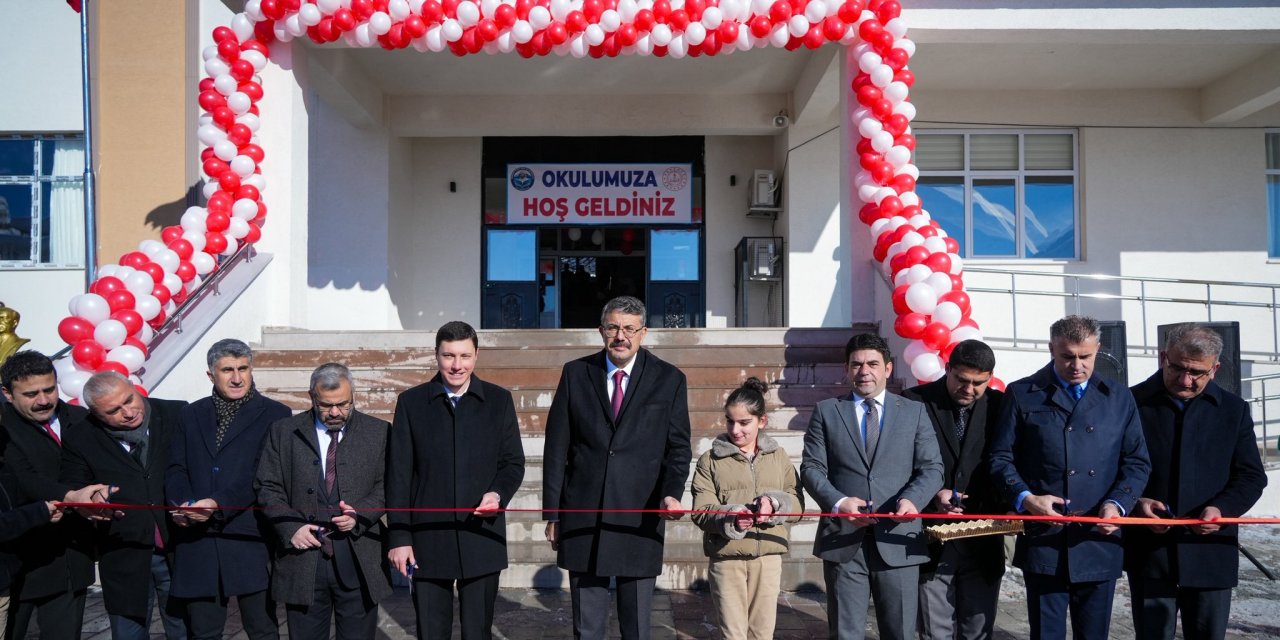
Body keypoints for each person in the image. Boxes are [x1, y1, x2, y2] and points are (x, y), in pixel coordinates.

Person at [988, 315, 1151, 640]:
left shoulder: (1118, 398)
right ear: (1052, 350)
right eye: (1067, 356)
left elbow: (1136, 462)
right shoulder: (1023, 393)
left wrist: (1118, 504)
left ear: (1097, 351)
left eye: (1085, 357)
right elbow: (1000, 458)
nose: (1076, 365)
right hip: (1045, 537)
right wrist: (1026, 498)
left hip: (1097, 539)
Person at [542, 295, 692, 640]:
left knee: (637, 627)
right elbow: (557, 448)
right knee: (587, 628)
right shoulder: (576, 373)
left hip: (639, 518)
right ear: (600, 331)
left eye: (628, 328)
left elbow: (678, 448)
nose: (620, 335)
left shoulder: (669, 379)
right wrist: (553, 513)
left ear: (643, 333)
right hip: (583, 517)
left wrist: (671, 493)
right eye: (612, 327)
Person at [1125, 323, 1267, 640]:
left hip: (1210, 553)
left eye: (1197, 373)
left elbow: (1251, 476)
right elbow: (1113, 469)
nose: (1185, 380)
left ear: (1214, 369)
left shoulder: (1234, 411)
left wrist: (1222, 508)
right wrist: (1137, 503)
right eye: (1177, 368)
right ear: (1163, 357)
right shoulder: (1131, 402)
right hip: (1151, 553)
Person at [386, 321, 525, 640]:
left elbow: (513, 463)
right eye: (448, 356)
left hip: (481, 537)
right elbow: (399, 474)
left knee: (478, 632)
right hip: (427, 539)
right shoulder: (412, 403)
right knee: (431, 632)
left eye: (464, 355)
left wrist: (498, 494)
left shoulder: (499, 400)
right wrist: (399, 536)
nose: (457, 365)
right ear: (436, 356)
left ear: (476, 356)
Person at [800, 333, 944, 640]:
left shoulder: (914, 412)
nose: (864, 371)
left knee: (900, 632)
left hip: (899, 538)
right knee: (845, 633)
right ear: (847, 369)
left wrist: (913, 500)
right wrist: (839, 503)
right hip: (844, 541)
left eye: (873, 364)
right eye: (857, 364)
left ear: (888, 369)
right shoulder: (827, 411)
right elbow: (812, 468)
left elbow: (932, 468)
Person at [166, 338, 290, 640]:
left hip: (247, 535)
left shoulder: (276, 414)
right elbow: (176, 467)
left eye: (243, 368)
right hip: (197, 539)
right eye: (228, 370)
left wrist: (218, 503)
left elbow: (264, 474)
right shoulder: (190, 414)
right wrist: (184, 505)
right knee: (203, 630)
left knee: (262, 628)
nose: (237, 378)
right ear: (211, 375)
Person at [257, 362, 391, 640]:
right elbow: (267, 486)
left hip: (358, 560)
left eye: (343, 404)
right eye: (326, 405)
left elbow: (388, 486)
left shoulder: (379, 432)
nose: (334, 412)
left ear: (354, 395)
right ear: (311, 397)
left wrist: (360, 514)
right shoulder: (283, 432)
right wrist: (291, 527)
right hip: (302, 560)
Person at [60, 371, 188, 639]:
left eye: (129, 400)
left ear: (134, 387)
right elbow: (73, 487)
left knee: (185, 630)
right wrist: (91, 500)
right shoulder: (81, 437)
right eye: (114, 411)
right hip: (123, 553)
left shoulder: (177, 413)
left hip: (179, 548)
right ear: (96, 414)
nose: (128, 412)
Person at [0, 350, 108, 639]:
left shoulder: (82, 417)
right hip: (18, 566)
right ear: (8, 394)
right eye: (31, 394)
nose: (44, 400)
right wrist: (73, 496)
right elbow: (23, 478)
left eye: (49, 389)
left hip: (72, 560)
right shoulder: (3, 430)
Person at [902, 340, 1006, 640]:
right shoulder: (913, 401)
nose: (969, 389)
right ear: (947, 368)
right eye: (961, 379)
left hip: (984, 536)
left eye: (978, 383)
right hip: (932, 538)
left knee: (978, 630)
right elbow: (899, 462)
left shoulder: (1001, 406)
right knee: (934, 632)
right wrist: (931, 495)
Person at [690, 377, 803, 640]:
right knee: (734, 634)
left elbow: (796, 505)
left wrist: (774, 505)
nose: (736, 429)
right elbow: (701, 511)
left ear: (761, 421)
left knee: (762, 634)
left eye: (744, 422)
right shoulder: (710, 460)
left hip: (768, 557)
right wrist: (731, 518)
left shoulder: (779, 456)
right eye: (730, 421)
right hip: (727, 559)